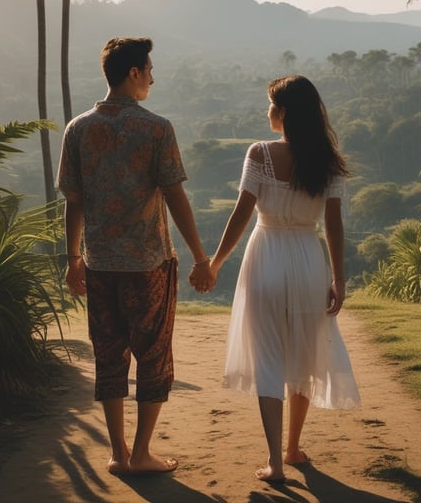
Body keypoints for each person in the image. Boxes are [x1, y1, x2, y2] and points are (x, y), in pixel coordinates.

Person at [57, 36, 215, 477]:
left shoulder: (79, 128)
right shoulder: (156, 128)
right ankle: (143, 453)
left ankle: (117, 452)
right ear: (132, 74)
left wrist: (73, 259)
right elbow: (175, 196)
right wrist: (200, 257)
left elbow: (74, 200)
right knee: (154, 355)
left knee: (108, 355)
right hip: (148, 264)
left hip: (99, 263)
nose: (152, 77)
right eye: (148, 70)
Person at [209, 75, 360, 483]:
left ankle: (275, 461)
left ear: (285, 112)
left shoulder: (259, 153)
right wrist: (340, 279)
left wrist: (217, 261)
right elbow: (334, 225)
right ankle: (294, 448)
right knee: (304, 356)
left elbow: (242, 213)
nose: (268, 112)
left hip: (267, 257)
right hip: (309, 261)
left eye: (272, 105)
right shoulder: (327, 160)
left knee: (270, 359)